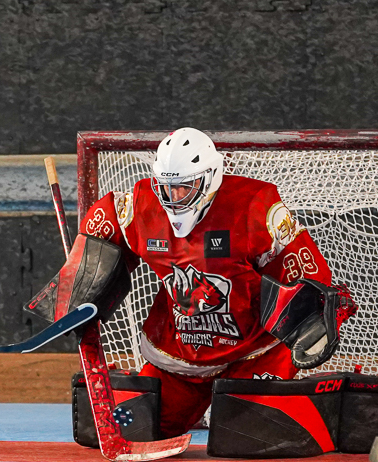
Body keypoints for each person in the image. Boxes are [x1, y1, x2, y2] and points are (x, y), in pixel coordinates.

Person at [74, 127, 341, 438]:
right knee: (124, 430)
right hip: (178, 355)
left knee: (242, 438)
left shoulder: (255, 208)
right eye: (165, 187)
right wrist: (78, 284)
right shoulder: (136, 207)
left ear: (210, 177)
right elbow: (101, 234)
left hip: (253, 350)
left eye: (184, 188)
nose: (172, 199)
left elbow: (308, 278)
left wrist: (314, 321)